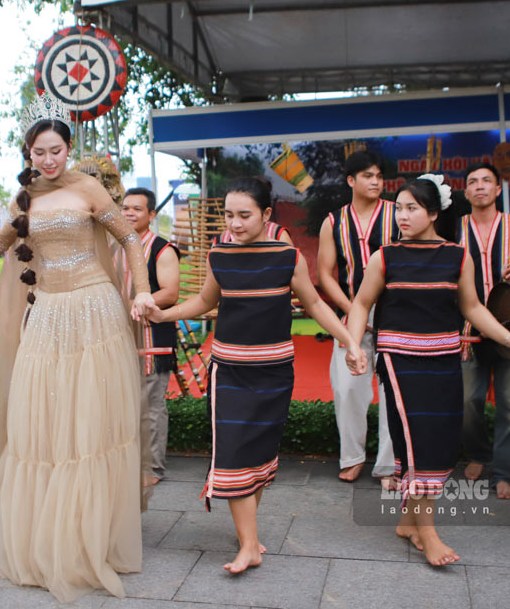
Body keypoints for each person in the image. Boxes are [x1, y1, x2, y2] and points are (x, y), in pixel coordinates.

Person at [0, 92, 154, 602]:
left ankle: (89, 536)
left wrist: (142, 289)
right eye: (40, 152)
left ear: (68, 147)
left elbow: (127, 239)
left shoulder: (89, 190)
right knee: (41, 423)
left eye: (56, 150)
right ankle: (45, 535)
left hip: (93, 308)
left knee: (92, 421)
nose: (49, 159)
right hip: (49, 313)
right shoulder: (25, 198)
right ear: (28, 153)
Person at [144, 177, 358, 574]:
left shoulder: (287, 256)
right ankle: (248, 546)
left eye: (244, 215)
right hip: (230, 372)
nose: (235, 224)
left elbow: (313, 304)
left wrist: (350, 341)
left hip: (275, 371)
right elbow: (205, 301)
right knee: (234, 454)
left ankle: (249, 536)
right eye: (229, 215)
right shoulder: (218, 255)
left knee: (258, 455)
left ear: (266, 215)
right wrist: (164, 314)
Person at [347, 174, 510, 567]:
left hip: (444, 362)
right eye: (399, 208)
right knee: (419, 444)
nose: (402, 215)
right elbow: (361, 304)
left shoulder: (457, 256)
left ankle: (406, 522)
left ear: (433, 213)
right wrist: (352, 345)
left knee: (438, 440)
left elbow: (473, 308)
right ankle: (429, 533)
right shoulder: (385, 256)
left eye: (411, 208)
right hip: (399, 364)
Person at [317, 150, 396, 484]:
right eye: (367, 176)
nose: (375, 181)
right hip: (349, 312)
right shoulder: (333, 222)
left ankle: (390, 465)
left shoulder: (398, 214)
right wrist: (354, 312)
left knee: (394, 389)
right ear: (351, 180)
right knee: (348, 388)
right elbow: (324, 274)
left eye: (379, 176)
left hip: (395, 313)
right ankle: (352, 457)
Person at [458, 163, 510, 499]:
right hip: (468, 329)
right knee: (466, 400)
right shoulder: (454, 228)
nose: (479, 187)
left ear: (498, 189)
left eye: (486, 181)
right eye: (473, 182)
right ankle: (478, 453)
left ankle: (502, 472)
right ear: (465, 192)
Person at [122, 186, 180, 485]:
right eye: (125, 208)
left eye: (137, 209)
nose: (129, 213)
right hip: (120, 338)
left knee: (151, 406)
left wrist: (139, 302)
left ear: (151, 214)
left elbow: (170, 293)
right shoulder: (114, 247)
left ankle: (153, 467)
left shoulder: (162, 248)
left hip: (152, 337)